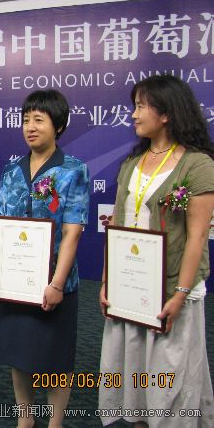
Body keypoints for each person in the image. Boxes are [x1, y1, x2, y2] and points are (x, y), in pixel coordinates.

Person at [98, 75, 214, 427]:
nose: (133, 115)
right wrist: (106, 281)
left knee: (169, 377)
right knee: (133, 370)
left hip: (170, 289)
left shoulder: (197, 164)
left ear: (166, 113)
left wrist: (180, 293)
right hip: (130, 287)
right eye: (134, 106)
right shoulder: (131, 163)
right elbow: (117, 224)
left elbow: (197, 236)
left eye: (141, 106)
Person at [0, 89, 89, 428]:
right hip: (13, 278)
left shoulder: (73, 170)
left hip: (54, 281)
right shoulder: (12, 170)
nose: (30, 126)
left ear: (58, 125)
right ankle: (25, 418)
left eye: (39, 120)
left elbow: (72, 232)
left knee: (57, 358)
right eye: (26, 119)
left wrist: (57, 283)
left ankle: (55, 422)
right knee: (19, 352)